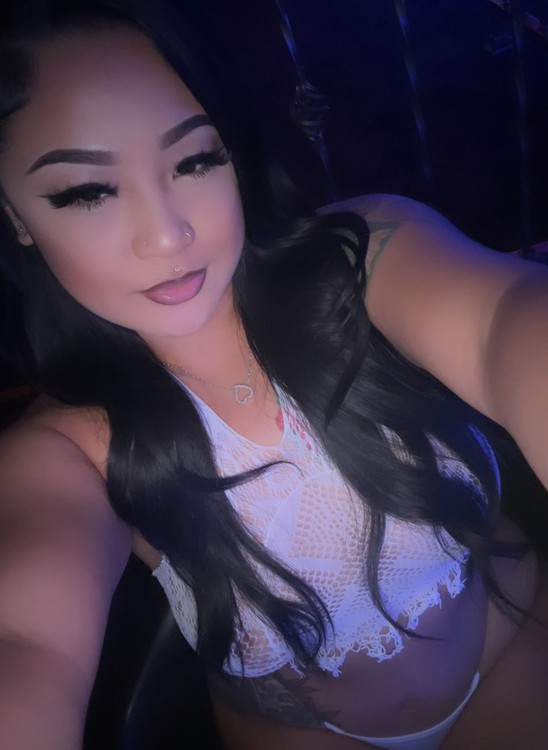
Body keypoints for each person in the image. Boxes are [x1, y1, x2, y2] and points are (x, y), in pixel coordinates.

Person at [0, 2, 547, 749]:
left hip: (511, 649)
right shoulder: (67, 449)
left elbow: (502, 324)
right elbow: (25, 642)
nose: (168, 235)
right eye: (87, 191)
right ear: (15, 214)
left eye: (194, 160)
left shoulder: (362, 262)